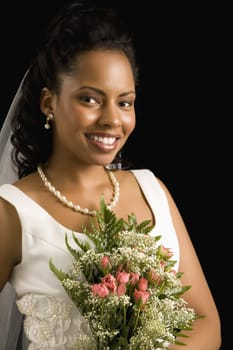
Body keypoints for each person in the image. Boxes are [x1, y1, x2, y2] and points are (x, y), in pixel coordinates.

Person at [0, 1, 221, 349]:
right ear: (48, 103)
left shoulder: (153, 190)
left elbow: (204, 321)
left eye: (125, 102)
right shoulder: (11, 212)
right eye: (89, 99)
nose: (111, 119)